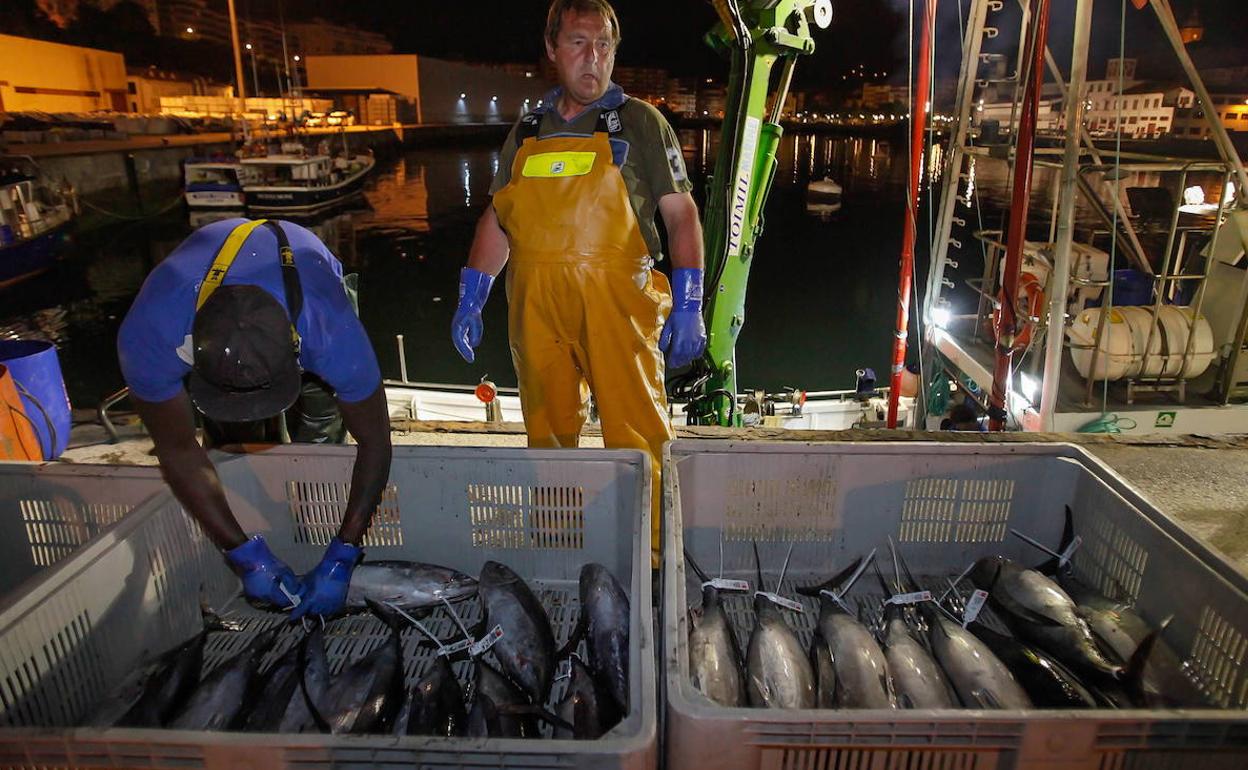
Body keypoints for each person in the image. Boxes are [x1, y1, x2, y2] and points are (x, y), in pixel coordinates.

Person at [451, 0, 706, 560]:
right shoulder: (528, 130)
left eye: (605, 45)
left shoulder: (639, 122)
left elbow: (681, 214)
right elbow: (498, 217)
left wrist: (690, 301)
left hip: (618, 311)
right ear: (551, 49)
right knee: (546, 440)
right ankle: (559, 548)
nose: (594, 58)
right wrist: (473, 295)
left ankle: (655, 558)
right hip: (536, 315)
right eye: (578, 43)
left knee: (639, 436)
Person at [118, 217, 392, 619]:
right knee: (227, 445)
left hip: (307, 283)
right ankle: (251, 531)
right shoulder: (149, 334)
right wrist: (241, 553)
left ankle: (314, 525)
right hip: (194, 307)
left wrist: (345, 550)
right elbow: (176, 448)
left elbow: (375, 441)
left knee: (319, 431)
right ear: (193, 353)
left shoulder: (330, 331)